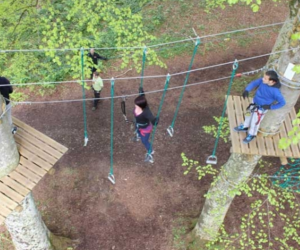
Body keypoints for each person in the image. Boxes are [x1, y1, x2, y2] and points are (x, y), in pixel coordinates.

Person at [234, 70, 286, 144]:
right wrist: (247, 90)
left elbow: (282, 103)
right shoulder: (263, 81)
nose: (262, 79)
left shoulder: (276, 92)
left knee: (255, 122)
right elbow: (254, 83)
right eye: (264, 77)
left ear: (272, 82)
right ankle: (245, 126)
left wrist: (270, 107)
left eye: (265, 78)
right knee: (248, 115)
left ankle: (252, 134)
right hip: (254, 102)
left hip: (261, 108)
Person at [134, 89, 158, 163]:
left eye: (136, 105)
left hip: (145, 129)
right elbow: (142, 97)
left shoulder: (146, 112)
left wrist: (156, 120)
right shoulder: (140, 106)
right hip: (138, 124)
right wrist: (141, 93)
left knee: (145, 141)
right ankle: (138, 135)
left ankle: (150, 151)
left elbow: (154, 121)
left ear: (141, 106)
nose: (135, 105)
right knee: (137, 130)